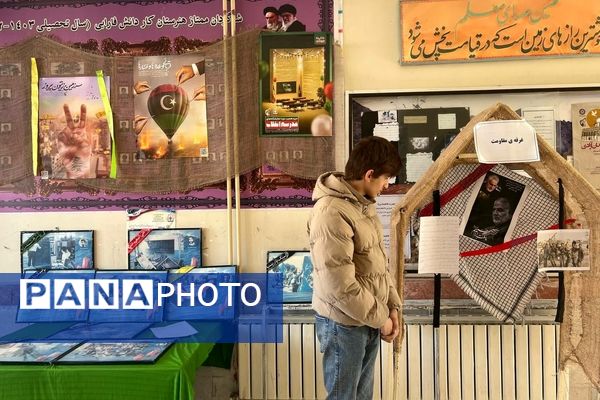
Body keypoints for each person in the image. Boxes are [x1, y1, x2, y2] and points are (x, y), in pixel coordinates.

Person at [308, 136, 402, 399]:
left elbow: (378, 265)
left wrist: (392, 306)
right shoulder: (330, 212)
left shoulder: (362, 206)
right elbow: (339, 285)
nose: (387, 185)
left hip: (367, 318)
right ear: (369, 174)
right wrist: (380, 317)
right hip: (344, 323)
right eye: (386, 179)